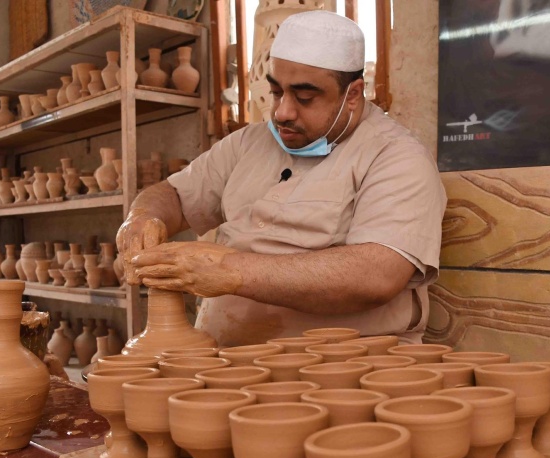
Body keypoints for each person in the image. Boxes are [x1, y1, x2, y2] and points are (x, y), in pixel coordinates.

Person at [118, 10, 446, 347]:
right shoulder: (250, 141)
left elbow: (375, 276)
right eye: (277, 92)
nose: (282, 113)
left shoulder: (396, 156)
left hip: (348, 366)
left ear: (353, 94)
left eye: (304, 97)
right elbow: (173, 194)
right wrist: (142, 217)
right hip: (229, 358)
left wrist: (229, 270)